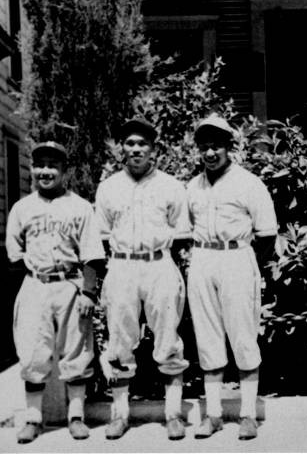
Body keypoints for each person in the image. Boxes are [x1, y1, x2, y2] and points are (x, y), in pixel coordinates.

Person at [95, 117, 190, 441]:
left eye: (142, 144)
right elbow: (103, 236)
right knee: (120, 341)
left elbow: (181, 236)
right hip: (122, 266)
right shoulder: (108, 188)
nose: (136, 149)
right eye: (130, 143)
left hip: (159, 264)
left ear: (153, 149)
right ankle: (120, 415)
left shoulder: (171, 186)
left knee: (168, 339)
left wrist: (168, 272)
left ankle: (173, 414)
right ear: (122, 148)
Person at [6, 141, 105, 443]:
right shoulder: (22, 208)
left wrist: (88, 293)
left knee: (76, 351)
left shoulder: (80, 206)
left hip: (70, 283)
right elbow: (13, 253)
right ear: (33, 169)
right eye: (40, 165)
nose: (45, 171)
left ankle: (76, 416)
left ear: (65, 171)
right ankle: (34, 418)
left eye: (53, 165)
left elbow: (92, 254)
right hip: (35, 283)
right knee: (33, 353)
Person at [187, 113, 278, 440]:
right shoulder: (192, 186)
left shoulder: (248, 183)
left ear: (229, 147)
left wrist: (248, 267)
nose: (210, 153)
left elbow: (267, 235)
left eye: (217, 146)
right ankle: (212, 414)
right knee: (207, 338)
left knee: (242, 336)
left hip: (237, 258)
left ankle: (248, 415)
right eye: (204, 147)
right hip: (202, 258)